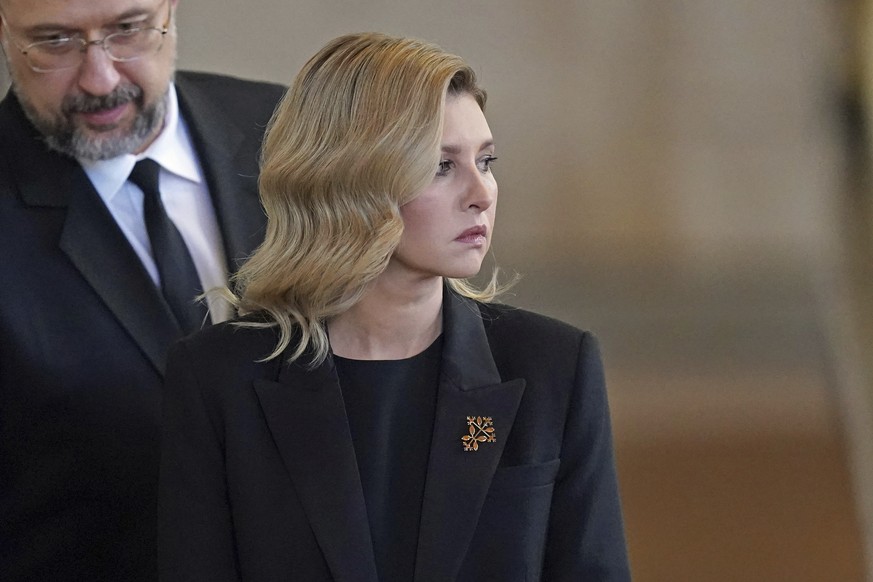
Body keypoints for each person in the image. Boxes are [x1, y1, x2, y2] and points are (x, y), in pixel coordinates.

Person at [158, 32, 631, 581]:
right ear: (350, 180)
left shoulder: (554, 366)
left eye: (487, 160)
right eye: (441, 166)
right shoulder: (219, 377)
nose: (482, 192)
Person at [0, 0, 285, 579]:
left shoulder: (290, 130)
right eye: (54, 41)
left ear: (170, 13)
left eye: (127, 30)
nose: (99, 78)